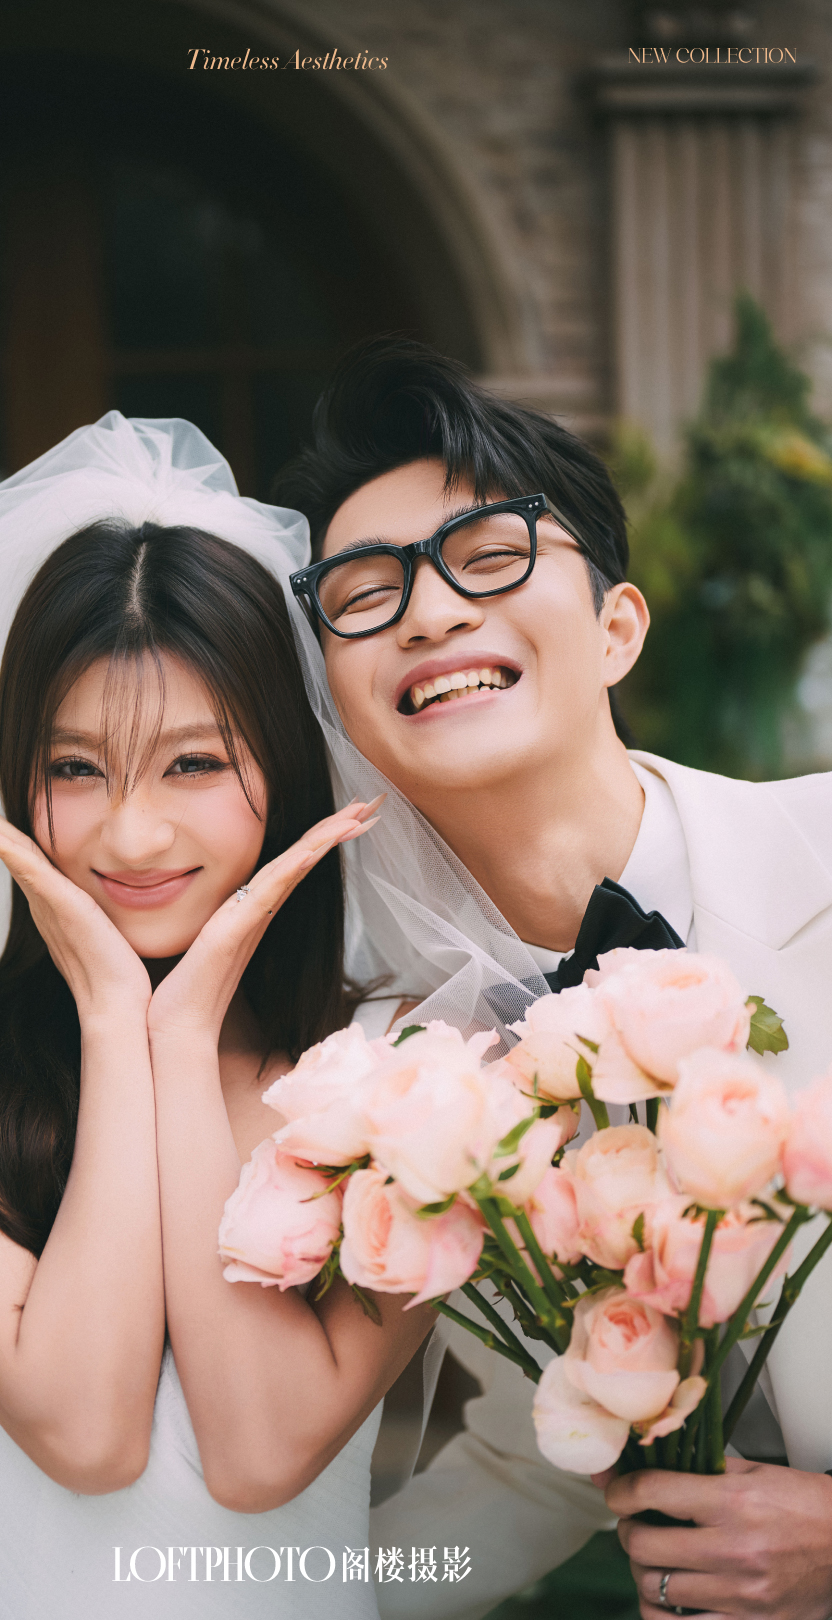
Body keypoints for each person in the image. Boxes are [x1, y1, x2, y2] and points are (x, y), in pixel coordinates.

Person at [0, 416, 436, 1620]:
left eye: (193, 765)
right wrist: (122, 1027)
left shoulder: (416, 1061)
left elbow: (259, 1456)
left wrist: (183, 1035)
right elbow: (85, 1431)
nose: (130, 835)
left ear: (287, 768)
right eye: (76, 769)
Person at [274, 337, 832, 1620]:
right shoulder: (402, 1071)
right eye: (365, 592)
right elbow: (537, 1454)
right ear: (339, 704)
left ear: (618, 629)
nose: (429, 613)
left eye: (489, 557)